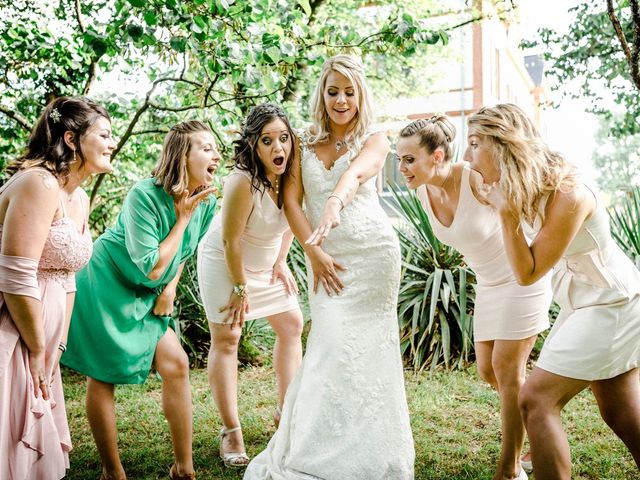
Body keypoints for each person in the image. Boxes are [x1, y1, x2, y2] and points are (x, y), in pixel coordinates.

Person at [244, 55, 414, 479]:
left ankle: (372, 449)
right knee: (330, 349)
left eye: (349, 92)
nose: (341, 100)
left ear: (361, 95)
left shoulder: (375, 139)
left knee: (370, 354)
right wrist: (312, 253)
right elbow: (291, 201)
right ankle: (318, 445)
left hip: (374, 255)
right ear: (322, 93)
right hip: (327, 261)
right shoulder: (301, 140)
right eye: (333, 91)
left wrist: (336, 200)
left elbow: (357, 174)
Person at [466, 103, 640, 479]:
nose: (467, 155)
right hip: (581, 301)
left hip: (612, 303)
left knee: (535, 399)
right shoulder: (524, 185)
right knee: (620, 410)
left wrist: (507, 213)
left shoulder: (569, 194)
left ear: (503, 144)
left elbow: (527, 273)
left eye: (475, 143)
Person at [395, 115, 551, 480]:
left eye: (409, 159)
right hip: (488, 285)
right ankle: (540, 417)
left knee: (507, 371)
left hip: (521, 279)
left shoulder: (475, 178)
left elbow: (524, 197)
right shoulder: (423, 189)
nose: (402, 168)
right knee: (487, 371)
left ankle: (510, 469)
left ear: (437, 156)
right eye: (399, 159)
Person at [61, 120, 219, 480]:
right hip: (106, 284)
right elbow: (150, 266)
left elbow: (181, 254)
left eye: (215, 148)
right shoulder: (143, 196)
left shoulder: (206, 200)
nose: (216, 154)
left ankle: (184, 467)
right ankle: (112, 471)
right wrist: (181, 220)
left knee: (176, 364)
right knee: (103, 377)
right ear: (183, 155)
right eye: (206, 147)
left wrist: (170, 288)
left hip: (148, 291)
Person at [0, 96, 115, 479]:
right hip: (12, 334)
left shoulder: (78, 197)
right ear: (71, 138)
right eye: (104, 134)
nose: (111, 143)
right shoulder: (38, 183)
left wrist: (56, 347)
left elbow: (67, 276)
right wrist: (35, 347)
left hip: (43, 342)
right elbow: (16, 276)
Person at [197, 103, 303, 468]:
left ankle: (284, 413)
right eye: (268, 141)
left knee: (292, 325)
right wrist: (241, 286)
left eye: (284, 139)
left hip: (264, 265)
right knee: (228, 339)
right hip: (226, 264)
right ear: (254, 146)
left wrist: (279, 261)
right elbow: (231, 242)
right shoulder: (242, 181)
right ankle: (231, 430)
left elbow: (291, 221)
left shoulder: (293, 173)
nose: (278, 149)